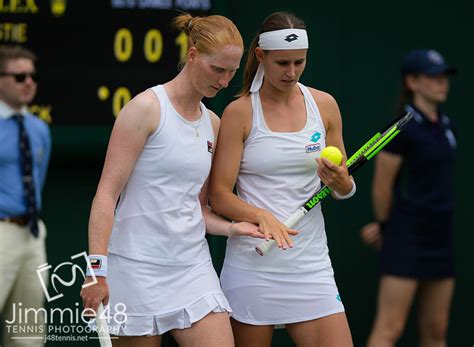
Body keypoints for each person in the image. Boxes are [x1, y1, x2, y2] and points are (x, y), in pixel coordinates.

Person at [79, 13, 266, 347]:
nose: (224, 81)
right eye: (217, 70)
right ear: (192, 55)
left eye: (232, 72)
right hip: (135, 268)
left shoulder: (214, 122)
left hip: (192, 267)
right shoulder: (145, 109)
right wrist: (97, 270)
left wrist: (232, 228)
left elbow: (199, 208)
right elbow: (106, 196)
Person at [209, 11, 354, 347]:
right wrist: (261, 216)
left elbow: (344, 186)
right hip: (253, 267)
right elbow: (219, 195)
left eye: (299, 62)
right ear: (261, 56)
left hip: (311, 267)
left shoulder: (325, 106)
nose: (291, 72)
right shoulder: (240, 112)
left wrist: (342, 184)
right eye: (282, 63)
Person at [360, 49, 458, 347]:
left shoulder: (446, 125)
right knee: (390, 328)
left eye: (444, 77)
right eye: (433, 77)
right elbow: (381, 186)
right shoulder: (399, 127)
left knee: (436, 331)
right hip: (407, 236)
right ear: (412, 82)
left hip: (441, 237)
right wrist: (386, 225)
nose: (442, 83)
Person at [0, 45, 51, 347]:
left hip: (32, 234)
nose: (29, 82)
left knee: (28, 333)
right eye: (19, 76)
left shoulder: (39, 129)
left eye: (32, 76)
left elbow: (38, 178)